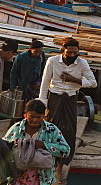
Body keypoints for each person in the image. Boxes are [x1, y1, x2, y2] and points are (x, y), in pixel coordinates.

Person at [39, 37, 96, 167]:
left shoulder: (82, 63)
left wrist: (74, 79)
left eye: (75, 53)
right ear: (62, 51)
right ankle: (49, 157)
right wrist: (43, 101)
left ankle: (64, 161)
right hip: (55, 97)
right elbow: (45, 82)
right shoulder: (52, 61)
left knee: (70, 129)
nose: (72, 55)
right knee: (51, 126)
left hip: (71, 98)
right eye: (69, 53)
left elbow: (93, 83)